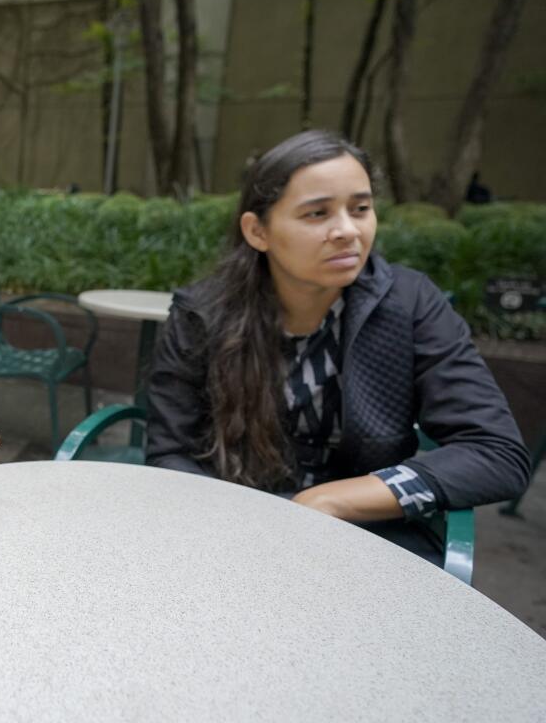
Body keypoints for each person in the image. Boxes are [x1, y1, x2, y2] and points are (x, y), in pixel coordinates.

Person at [145, 130, 529, 560]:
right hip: (228, 532)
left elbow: (496, 453)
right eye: (317, 214)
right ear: (258, 231)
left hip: (367, 539)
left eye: (360, 209)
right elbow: (169, 452)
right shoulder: (203, 314)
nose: (347, 231)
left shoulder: (410, 304)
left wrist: (330, 501)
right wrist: (237, 525)